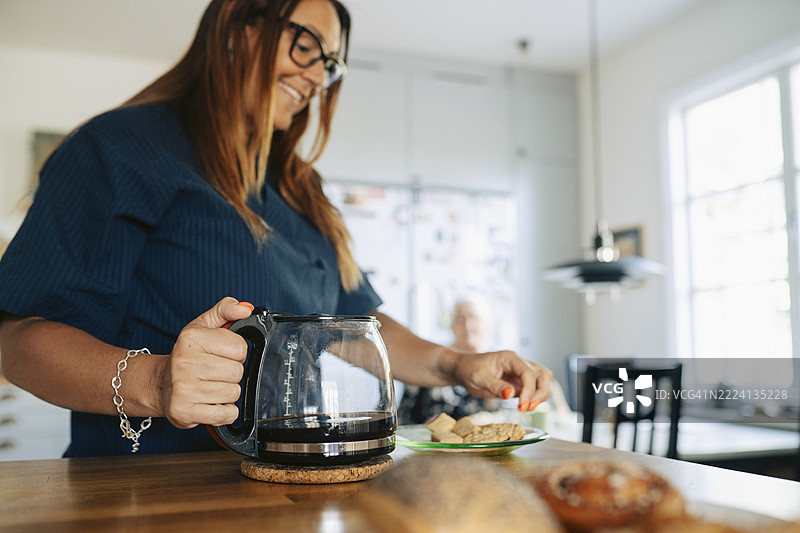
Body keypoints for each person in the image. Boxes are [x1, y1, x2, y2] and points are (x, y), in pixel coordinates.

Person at [0, 0, 551, 457]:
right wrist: (158, 381)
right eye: (305, 44)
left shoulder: (302, 188)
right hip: (145, 494)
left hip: (291, 483)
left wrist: (457, 363)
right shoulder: (118, 149)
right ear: (238, 25)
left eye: (328, 63)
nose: (315, 76)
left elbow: (357, 326)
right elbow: (17, 340)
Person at [398, 295, 504, 424]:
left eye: (474, 318)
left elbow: (512, 416)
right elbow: (403, 417)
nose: (467, 325)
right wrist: (423, 428)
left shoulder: (500, 366)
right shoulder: (430, 361)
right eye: (461, 318)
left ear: (487, 324)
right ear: (452, 325)